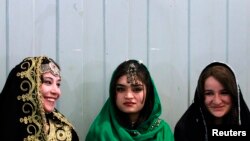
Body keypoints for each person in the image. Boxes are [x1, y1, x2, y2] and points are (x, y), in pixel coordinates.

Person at [85, 59, 174, 141]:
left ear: (149, 93)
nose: (128, 96)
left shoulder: (162, 132)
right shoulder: (100, 132)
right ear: (113, 93)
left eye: (137, 89)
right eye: (120, 89)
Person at [0, 56, 79, 141]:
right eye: (48, 82)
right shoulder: (4, 128)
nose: (57, 91)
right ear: (28, 86)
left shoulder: (66, 132)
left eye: (58, 84)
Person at [174, 62, 250, 141]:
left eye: (224, 93)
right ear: (201, 96)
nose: (217, 101)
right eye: (209, 93)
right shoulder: (185, 129)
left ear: (234, 94)